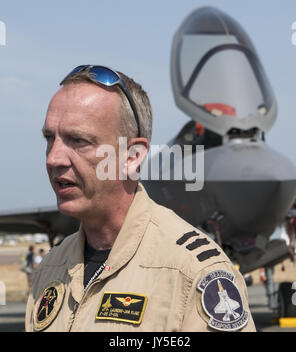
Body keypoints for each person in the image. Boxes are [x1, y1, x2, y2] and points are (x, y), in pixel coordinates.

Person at [25, 65, 256, 332]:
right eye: (49, 138)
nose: (54, 158)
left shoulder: (194, 272)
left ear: (132, 157)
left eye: (78, 140)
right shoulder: (51, 268)